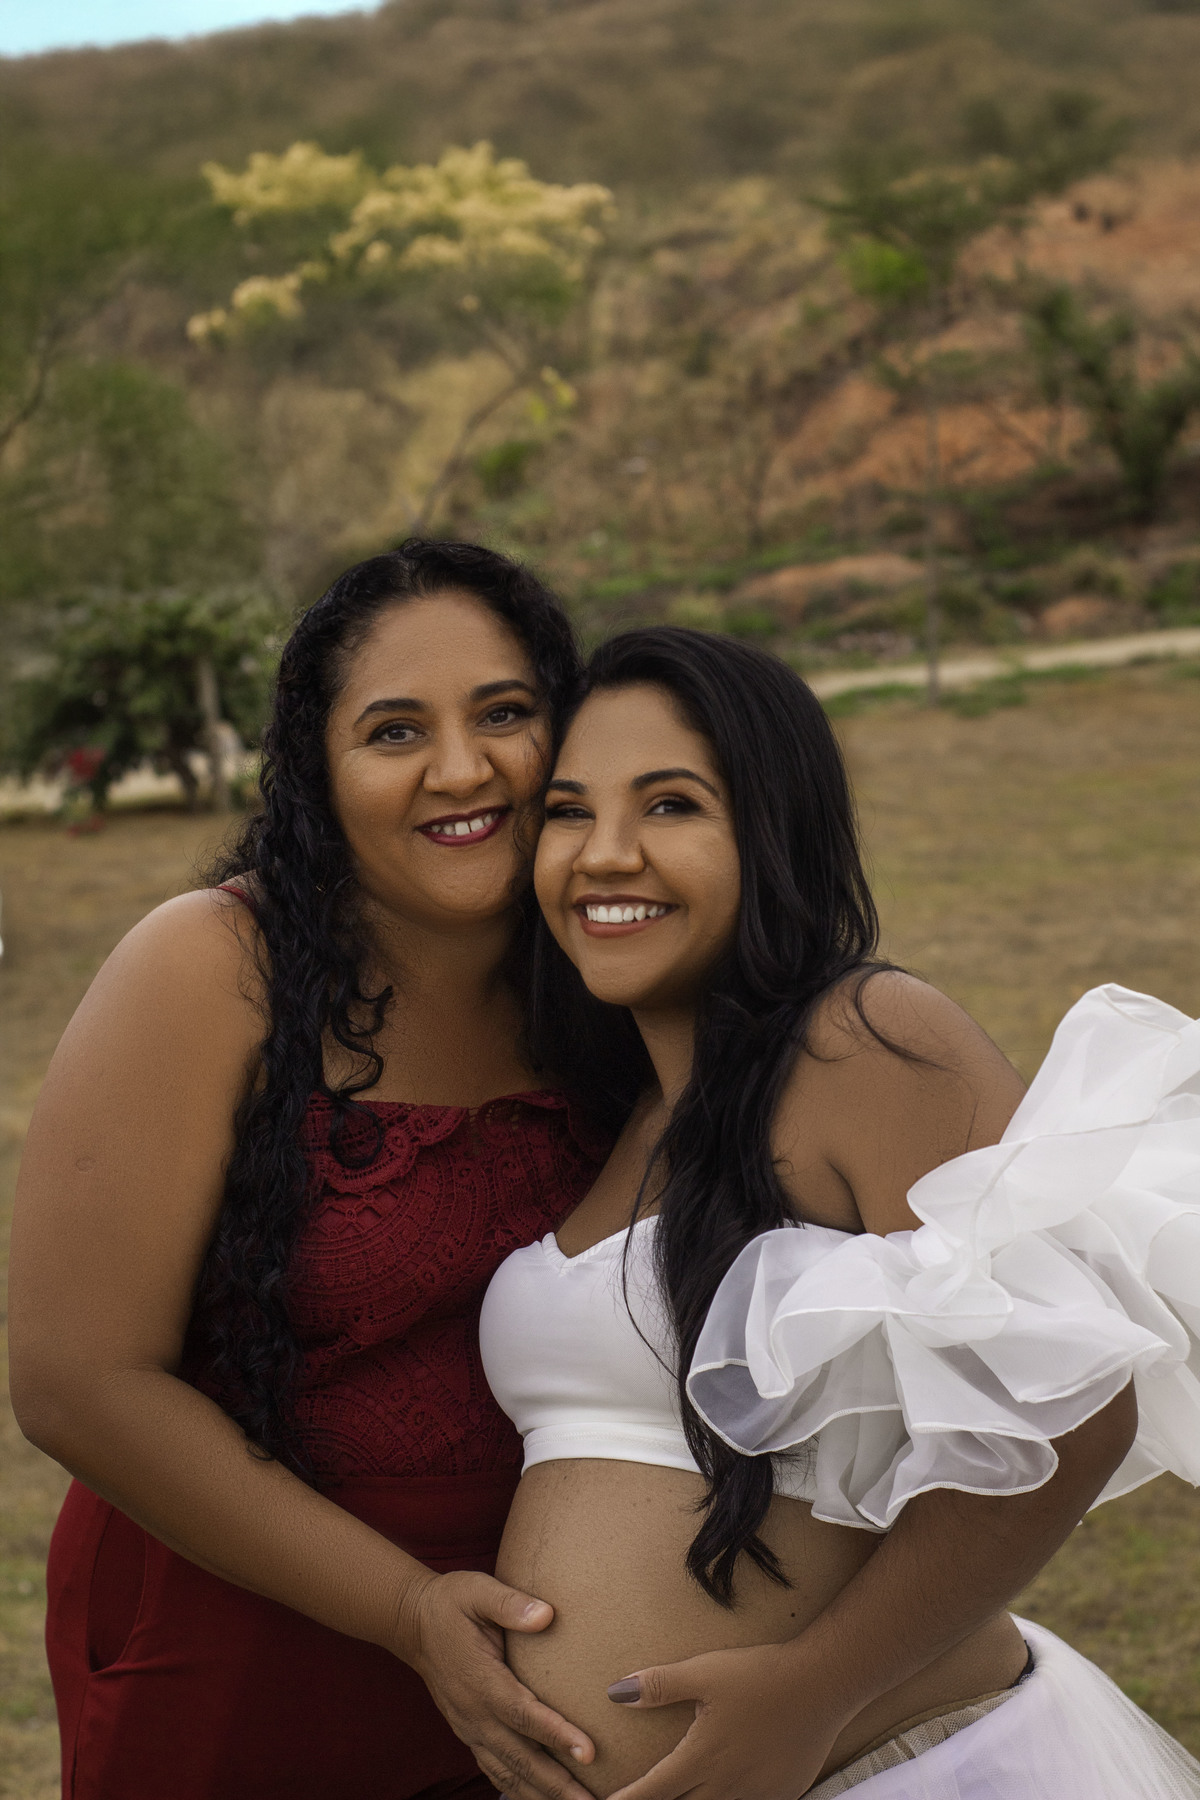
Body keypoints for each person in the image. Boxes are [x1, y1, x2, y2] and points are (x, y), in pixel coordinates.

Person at [479, 626, 1200, 1800]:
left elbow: (1078, 1412)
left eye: (670, 806)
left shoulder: (863, 1041)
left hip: (897, 1766)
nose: (604, 855)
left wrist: (819, 1690)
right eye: (568, 812)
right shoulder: (621, 1116)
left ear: (772, 832)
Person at [9, 541, 620, 1800]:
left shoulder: (614, 972)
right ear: (320, 776)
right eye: (396, 731)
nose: (465, 769)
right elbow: (75, 1382)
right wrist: (406, 1612)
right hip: (239, 1647)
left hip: (547, 1669)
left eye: (505, 713)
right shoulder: (212, 971)